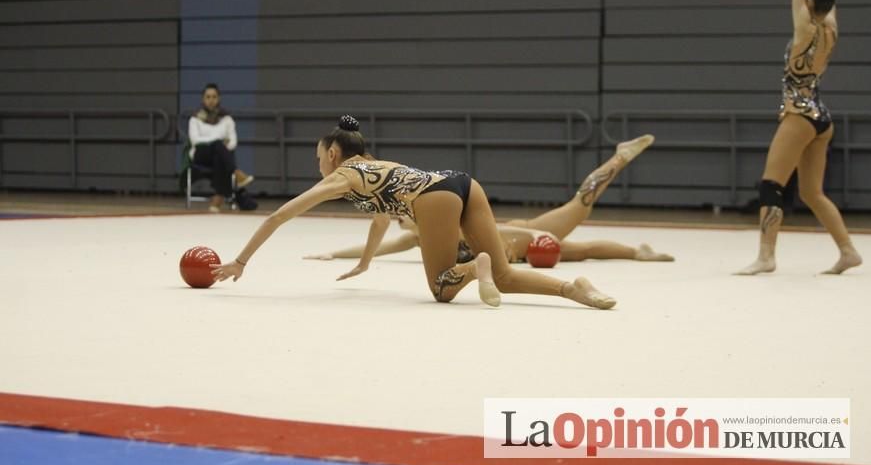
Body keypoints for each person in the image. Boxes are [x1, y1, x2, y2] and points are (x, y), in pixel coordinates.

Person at [210, 115, 618, 309]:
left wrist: (241, 261)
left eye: (319, 157)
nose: (318, 166)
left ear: (334, 153)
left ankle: (474, 267)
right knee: (505, 276)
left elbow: (277, 215)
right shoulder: (376, 165)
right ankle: (572, 288)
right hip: (460, 183)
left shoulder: (341, 177)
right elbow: (381, 218)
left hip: (434, 199)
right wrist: (366, 263)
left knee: (441, 288)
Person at [304, 136, 674, 265]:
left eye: (405, 217)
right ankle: (637, 252)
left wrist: (528, 243)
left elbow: (498, 231)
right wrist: (333, 254)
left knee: (581, 205)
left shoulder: (432, 215)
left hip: (523, 236)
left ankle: (619, 157)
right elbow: (378, 248)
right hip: (520, 247)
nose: (405, 220)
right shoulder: (422, 236)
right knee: (584, 248)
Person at [736, 0, 861, 276]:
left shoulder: (805, 26)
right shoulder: (830, 27)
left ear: (807, 2)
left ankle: (766, 256)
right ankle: (848, 250)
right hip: (822, 117)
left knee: (771, 184)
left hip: (798, 115)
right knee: (811, 193)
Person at [187, 83, 254, 213]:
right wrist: (217, 141)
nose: (211, 100)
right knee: (219, 146)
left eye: (214, 97)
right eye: (208, 97)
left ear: (219, 98)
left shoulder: (227, 118)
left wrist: (222, 145)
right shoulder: (195, 118)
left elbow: (233, 141)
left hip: (220, 156)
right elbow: (195, 140)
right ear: (203, 99)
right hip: (201, 154)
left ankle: (217, 200)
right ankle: (236, 173)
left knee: (220, 156)